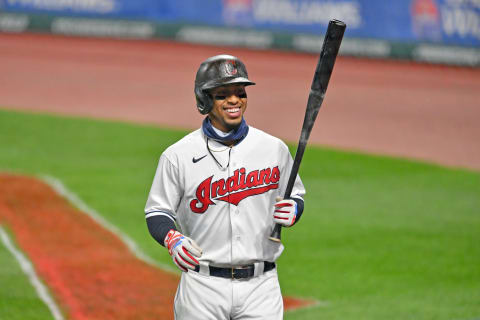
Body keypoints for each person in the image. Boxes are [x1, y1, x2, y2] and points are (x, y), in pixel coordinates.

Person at [144, 54, 306, 320]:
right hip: (202, 287)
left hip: (261, 287)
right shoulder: (178, 155)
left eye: (240, 93)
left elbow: (295, 193)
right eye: (223, 94)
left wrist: (296, 209)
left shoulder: (273, 148)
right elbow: (157, 211)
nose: (234, 101)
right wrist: (172, 239)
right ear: (204, 100)